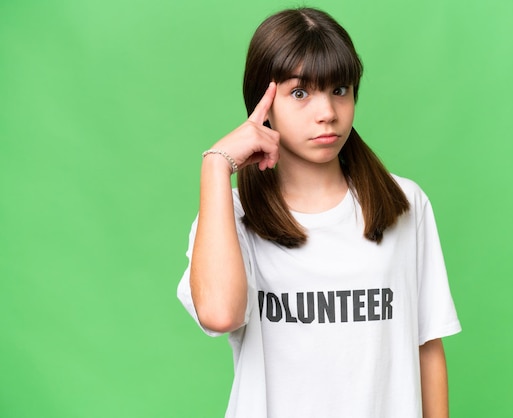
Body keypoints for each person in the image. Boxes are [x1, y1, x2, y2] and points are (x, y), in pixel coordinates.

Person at [177, 7, 461, 418]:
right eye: (300, 93)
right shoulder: (232, 217)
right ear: (264, 103)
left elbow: (427, 346)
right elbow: (220, 314)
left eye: (339, 89)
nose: (327, 112)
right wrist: (216, 164)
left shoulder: (404, 203)